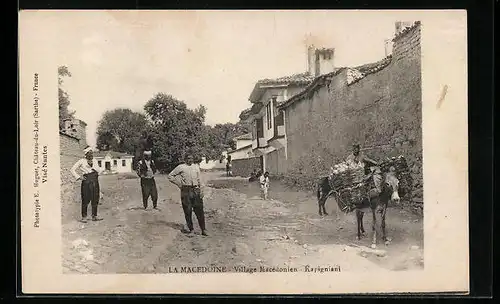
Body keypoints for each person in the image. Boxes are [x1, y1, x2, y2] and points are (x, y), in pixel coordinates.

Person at [168, 153, 207, 236]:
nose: (190, 160)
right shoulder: (181, 167)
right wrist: (179, 184)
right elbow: (170, 176)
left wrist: (202, 191)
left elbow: (200, 179)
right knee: (188, 211)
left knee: (199, 210)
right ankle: (191, 230)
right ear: (185, 159)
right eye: (188, 158)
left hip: (196, 190)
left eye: (191, 158)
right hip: (186, 191)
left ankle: (203, 229)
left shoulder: (196, 167)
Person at [70, 146, 103, 223]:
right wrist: (79, 177)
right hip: (86, 181)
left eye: (92, 153)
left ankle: (94, 216)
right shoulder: (81, 161)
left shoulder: (94, 160)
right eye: (89, 153)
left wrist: (95, 168)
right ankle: (84, 217)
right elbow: (72, 170)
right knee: (85, 199)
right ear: (86, 154)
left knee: (95, 198)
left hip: (95, 179)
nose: (91, 154)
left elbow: (99, 170)